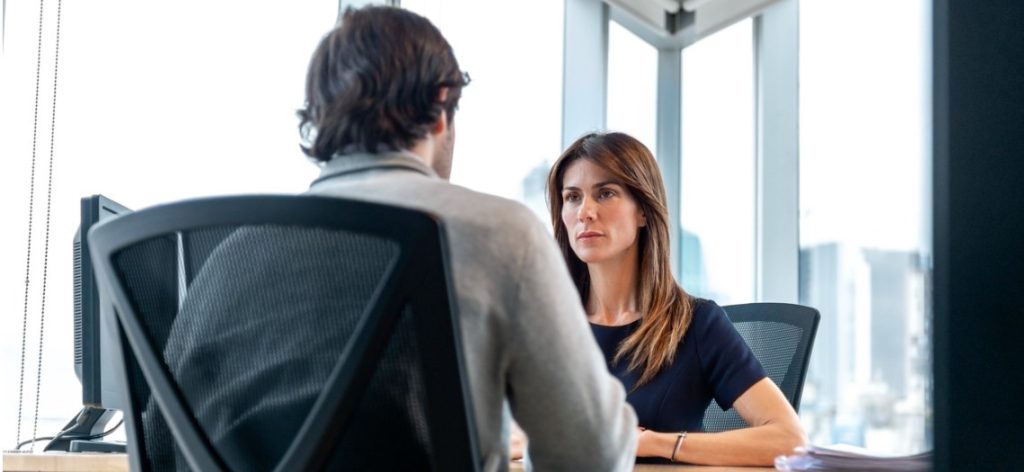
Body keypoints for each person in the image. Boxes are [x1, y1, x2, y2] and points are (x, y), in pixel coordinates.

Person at [148, 6, 637, 472]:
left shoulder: (231, 255)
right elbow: (589, 454)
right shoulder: (499, 233)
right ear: (441, 108)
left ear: (324, 118)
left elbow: (159, 449)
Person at [544, 131, 806, 466]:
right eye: (572, 197)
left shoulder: (696, 324)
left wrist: (650, 442)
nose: (585, 212)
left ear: (643, 211)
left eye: (606, 193)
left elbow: (790, 439)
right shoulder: (550, 326)